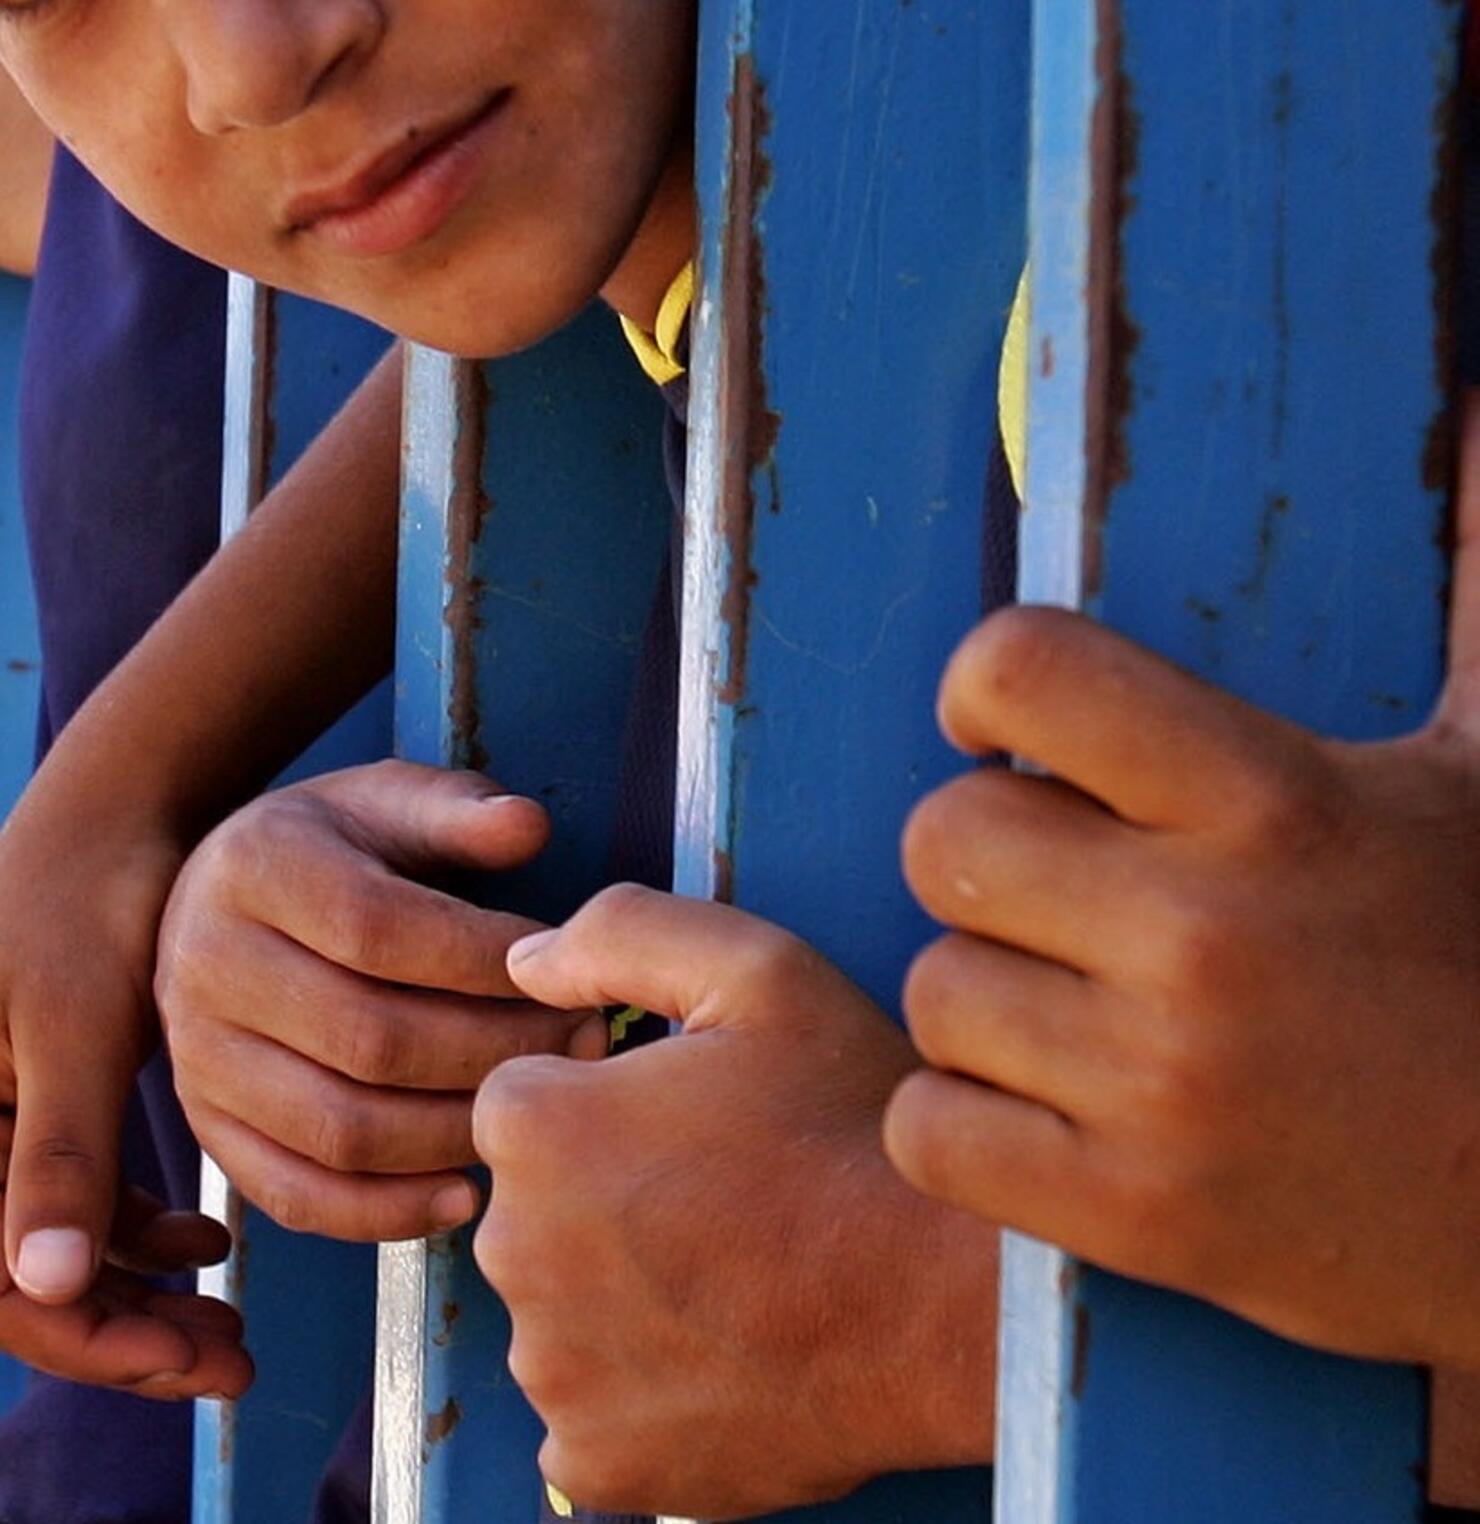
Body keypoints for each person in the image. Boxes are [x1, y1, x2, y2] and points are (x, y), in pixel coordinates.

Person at [0, 3, 1475, 1518]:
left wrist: (920, 1307)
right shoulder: (696, 282)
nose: (253, 68)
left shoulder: (1245, 242)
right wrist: (141, 817)